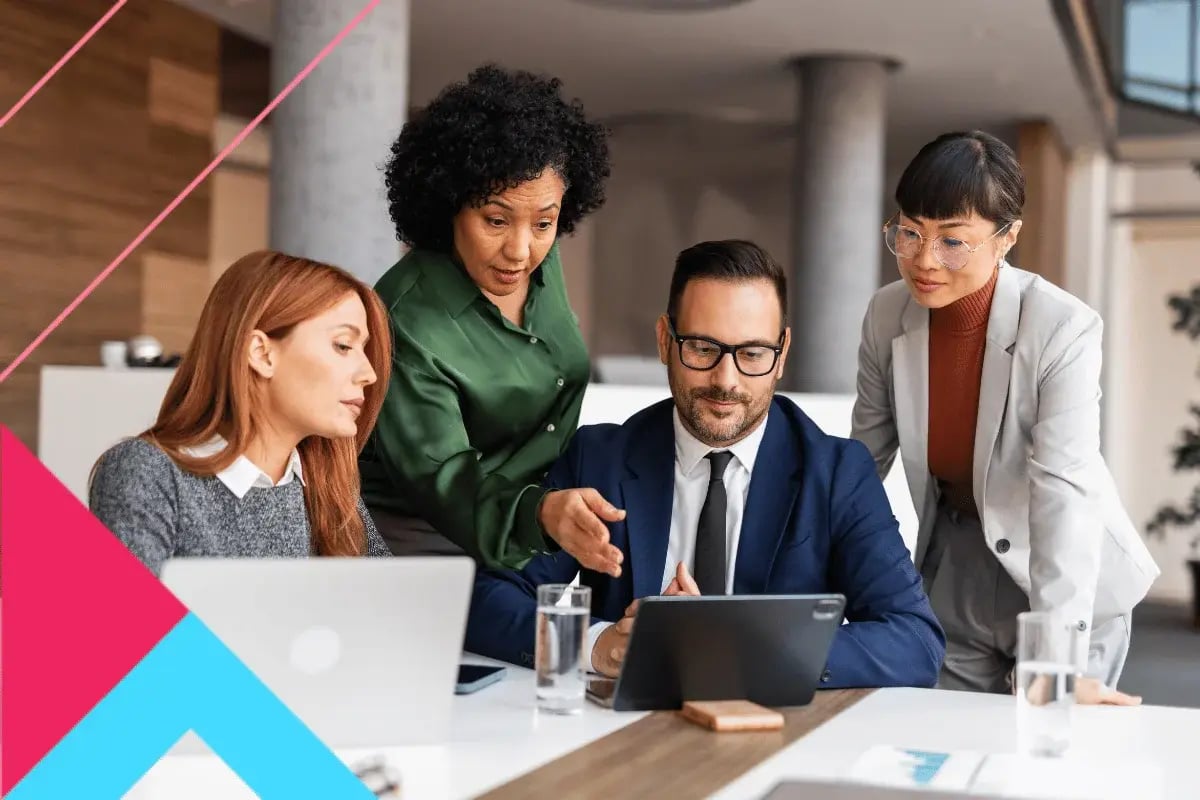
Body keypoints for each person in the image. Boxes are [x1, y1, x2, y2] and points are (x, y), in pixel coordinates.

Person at [465, 241, 945, 688]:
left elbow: (914, 640)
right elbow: (488, 601)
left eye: (753, 353)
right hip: (617, 734)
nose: (726, 380)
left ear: (782, 356)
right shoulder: (601, 458)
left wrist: (734, 647)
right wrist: (599, 645)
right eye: (702, 348)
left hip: (770, 734)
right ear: (664, 340)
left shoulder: (838, 472)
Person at [851, 130, 1160, 703]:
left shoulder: (1063, 328)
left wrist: (1056, 667)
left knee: (1045, 753)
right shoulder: (887, 313)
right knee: (947, 744)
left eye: (952, 241)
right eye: (910, 231)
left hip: (1064, 571)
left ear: (1007, 237)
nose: (923, 260)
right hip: (955, 561)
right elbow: (861, 460)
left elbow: (1063, 493)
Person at [359, 64, 623, 576]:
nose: (520, 251)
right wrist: (539, 514)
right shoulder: (404, 318)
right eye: (495, 221)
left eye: (544, 223)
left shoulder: (541, 261)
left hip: (538, 529)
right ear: (449, 206)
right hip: (427, 543)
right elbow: (446, 481)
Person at [89, 250, 393, 576]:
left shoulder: (329, 486)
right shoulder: (147, 473)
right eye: (343, 345)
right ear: (261, 353)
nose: (369, 374)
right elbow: (131, 623)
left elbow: (391, 608)